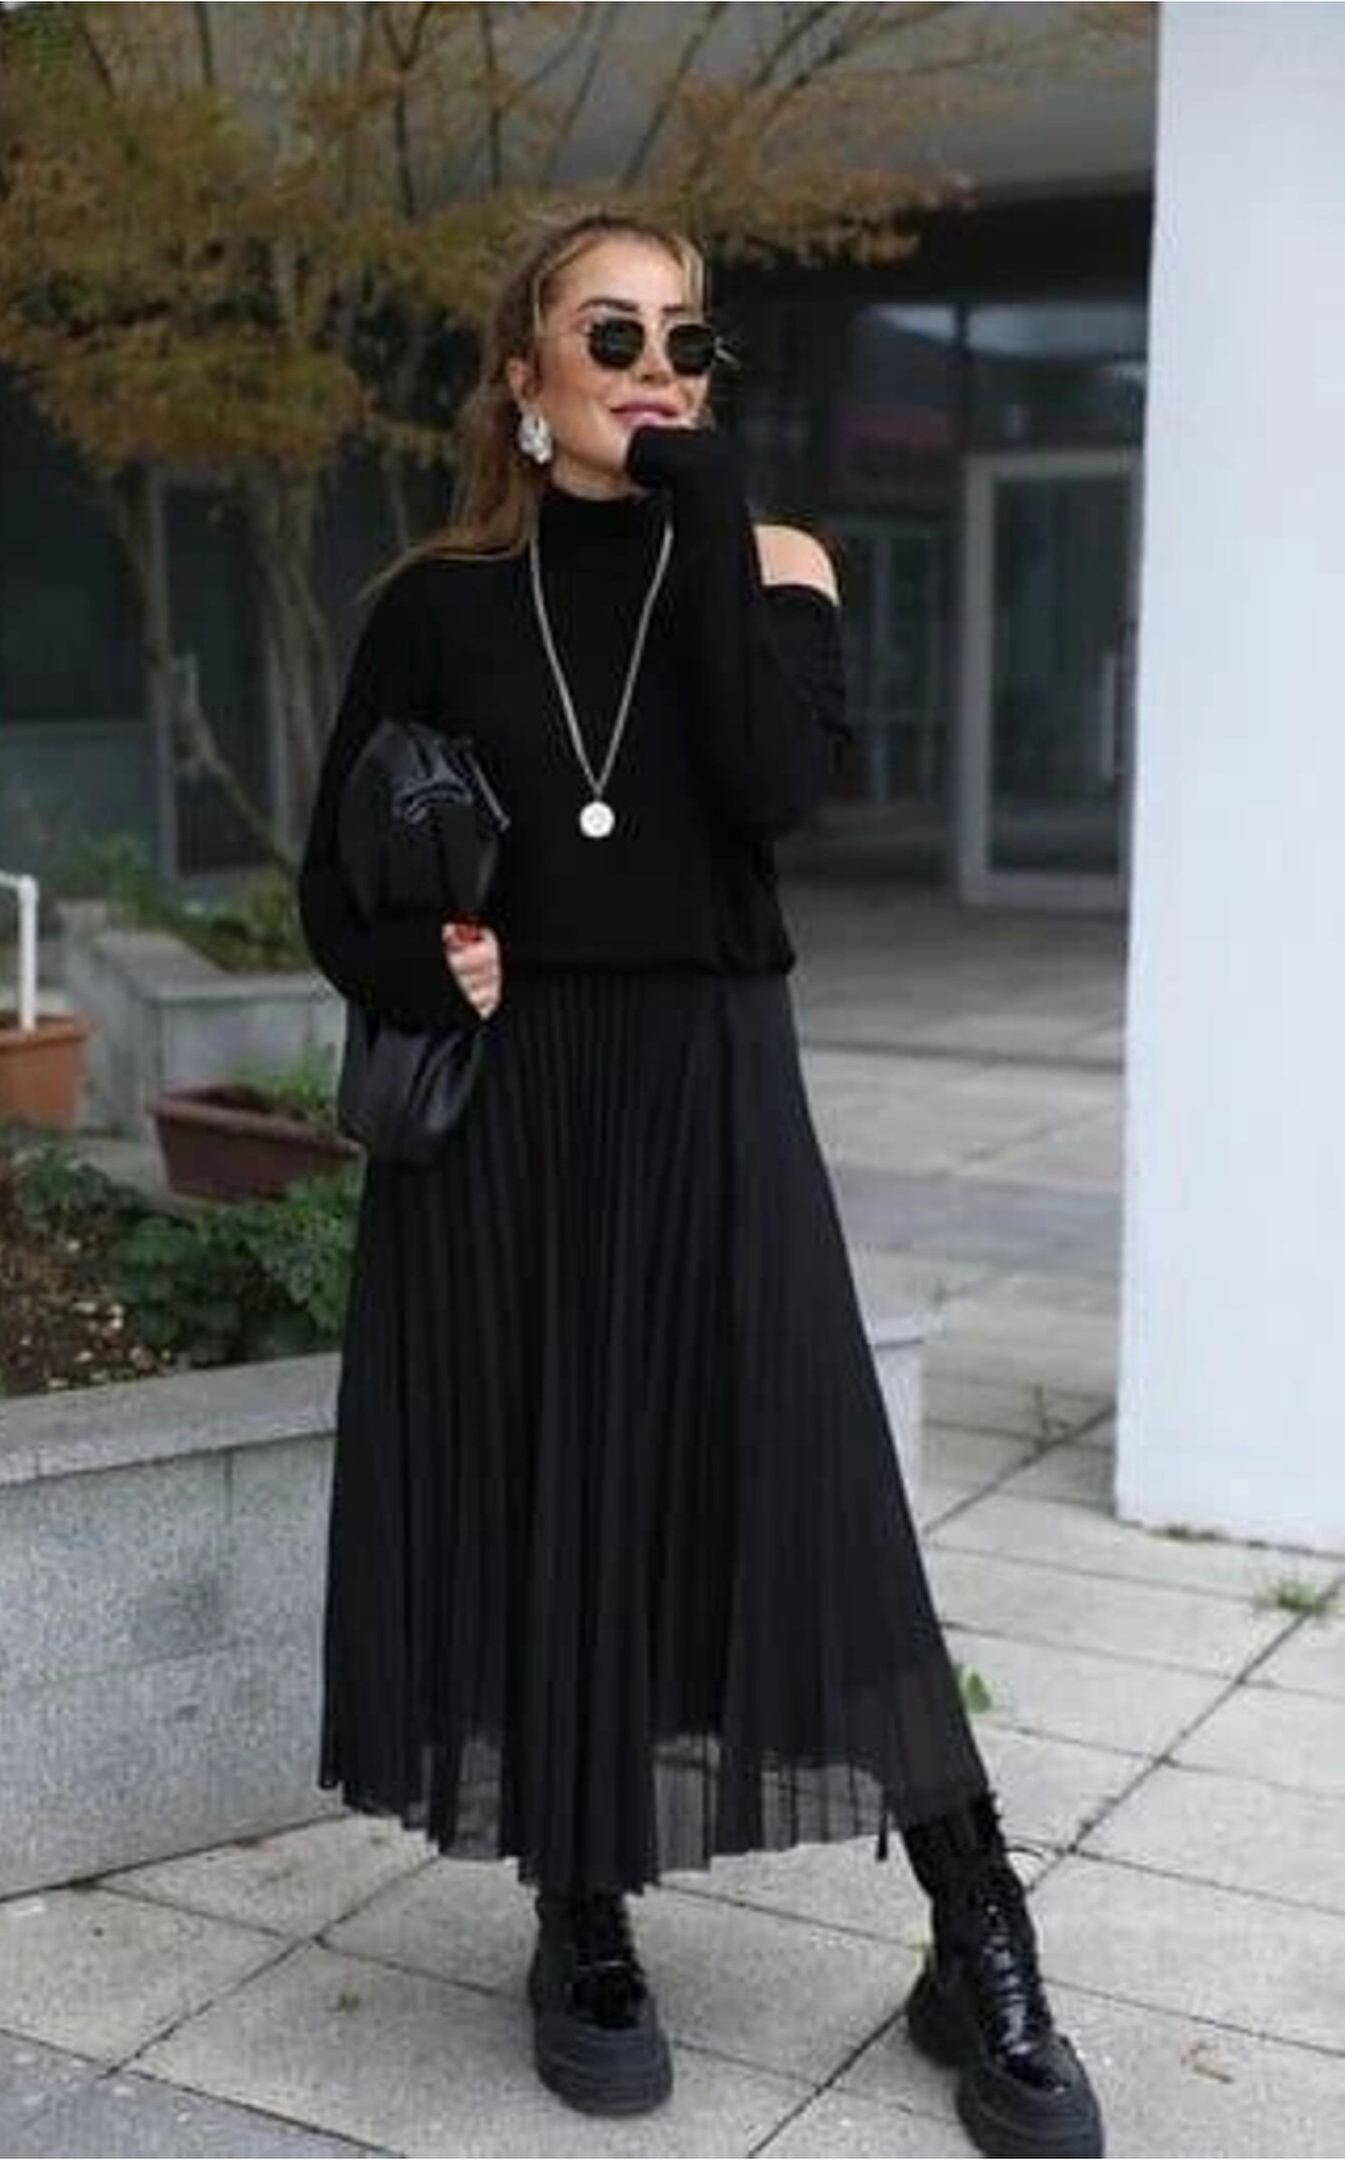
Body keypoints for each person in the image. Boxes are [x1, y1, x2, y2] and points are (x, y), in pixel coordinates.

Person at [297, 209, 1104, 2159]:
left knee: (816, 1489)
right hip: (510, 1114)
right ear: (523, 374)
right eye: (612, 334)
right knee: (552, 1484)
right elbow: (333, 887)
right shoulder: (433, 606)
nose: (657, 367)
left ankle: (977, 1928)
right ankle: (582, 1916)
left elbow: (773, 794)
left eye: (687, 339)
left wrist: (715, 505)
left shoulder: (778, 563)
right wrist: (422, 962)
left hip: (714, 1087)